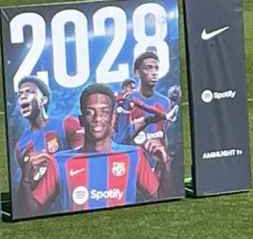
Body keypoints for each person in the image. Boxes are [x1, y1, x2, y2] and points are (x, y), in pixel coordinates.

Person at [19, 84, 174, 216]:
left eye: (104, 111)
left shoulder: (134, 156)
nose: (97, 118)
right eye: (90, 112)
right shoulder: (60, 162)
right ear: (81, 119)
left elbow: (161, 197)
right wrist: (25, 180)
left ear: (113, 117)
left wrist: (165, 162)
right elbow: (32, 211)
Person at [12, 76, 69, 185]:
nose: (22, 97)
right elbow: (27, 184)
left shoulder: (64, 125)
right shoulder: (20, 145)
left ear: (43, 100)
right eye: (19, 95)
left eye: (29, 92)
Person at [117, 52, 171, 151]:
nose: (154, 72)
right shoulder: (127, 101)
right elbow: (120, 137)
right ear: (138, 72)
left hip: (158, 159)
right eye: (148, 68)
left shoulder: (165, 102)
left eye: (156, 68)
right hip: (135, 159)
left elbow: (163, 132)